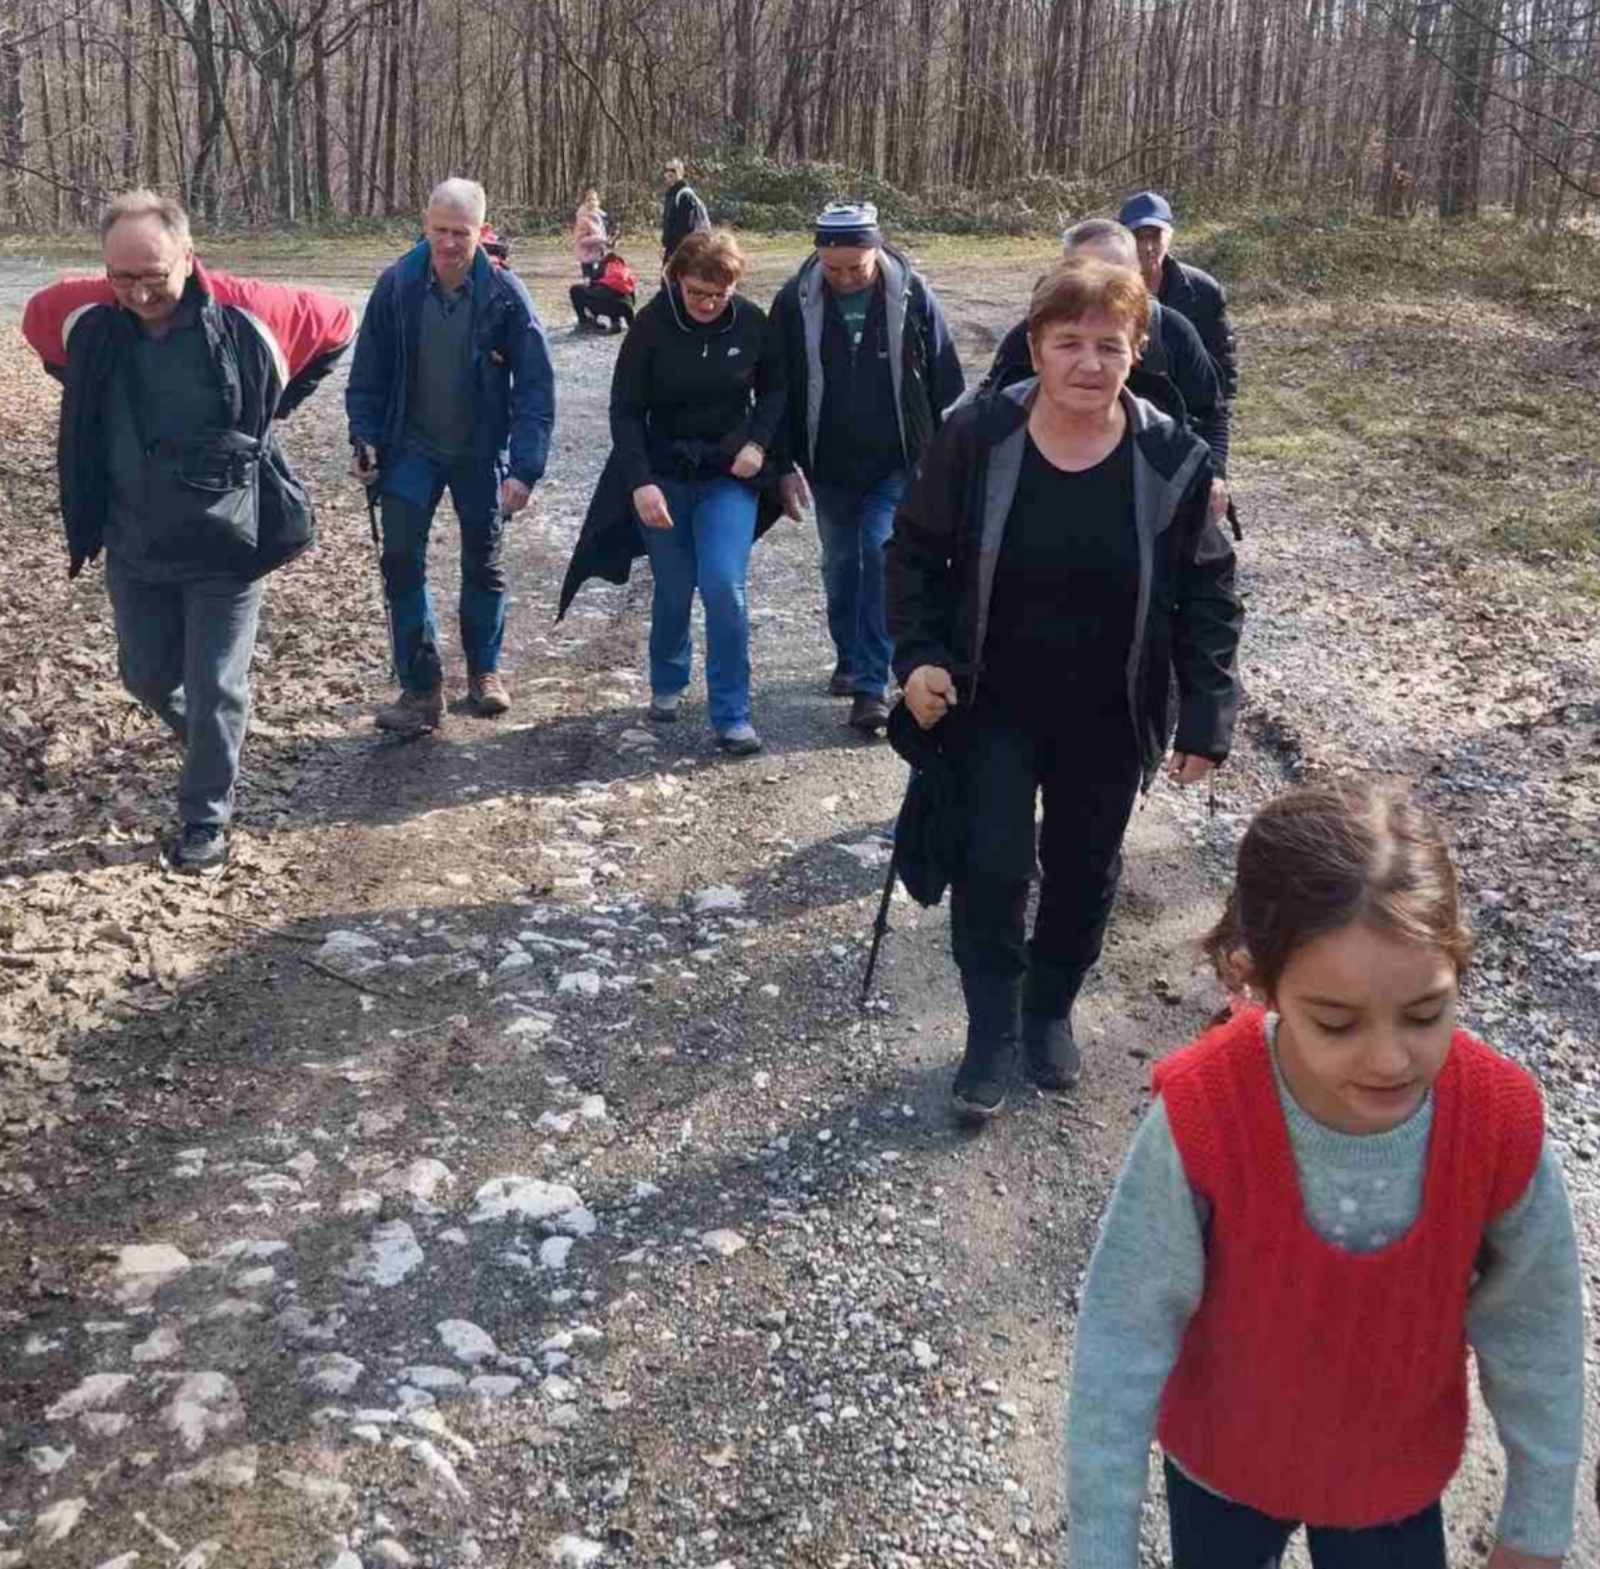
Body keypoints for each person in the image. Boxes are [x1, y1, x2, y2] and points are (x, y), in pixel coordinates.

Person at [1065, 780, 1585, 1569]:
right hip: (1223, 1472)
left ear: (1457, 967)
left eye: (1425, 1013)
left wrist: (1537, 1522)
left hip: (1392, 1483)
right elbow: (1122, 1333)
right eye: (1336, 1023)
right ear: (1259, 981)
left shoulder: (1495, 1122)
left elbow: (1537, 1327)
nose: (1389, 1058)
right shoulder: (1204, 1117)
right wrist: (1101, 1548)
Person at [885, 258, 1242, 1119]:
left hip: (1110, 712)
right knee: (991, 862)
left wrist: (1207, 714)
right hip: (990, 702)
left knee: (1085, 867)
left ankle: (1048, 1008)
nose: (1089, 362)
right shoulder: (977, 438)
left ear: (1136, 351)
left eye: (1109, 345)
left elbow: (1211, 593)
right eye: (1069, 342)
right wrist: (918, 656)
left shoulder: (1173, 458)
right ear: (1037, 345)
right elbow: (913, 552)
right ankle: (989, 1029)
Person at [20, 188, 353, 876]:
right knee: (144, 675)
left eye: (154, 275)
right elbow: (39, 325)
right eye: (122, 277)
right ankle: (209, 738)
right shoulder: (88, 313)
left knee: (215, 685)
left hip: (225, 537)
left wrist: (274, 403)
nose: (139, 293)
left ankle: (206, 818)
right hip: (133, 536)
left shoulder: (244, 308)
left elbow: (337, 322)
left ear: (189, 256)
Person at [558, 228, 785, 756]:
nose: (706, 304)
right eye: (696, 292)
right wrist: (639, 483)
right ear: (676, 279)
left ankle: (732, 713)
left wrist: (758, 444)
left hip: (728, 475)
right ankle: (667, 679)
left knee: (724, 586)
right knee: (675, 585)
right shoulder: (651, 326)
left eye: (718, 295)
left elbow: (776, 391)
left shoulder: (752, 323)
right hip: (663, 474)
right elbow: (625, 411)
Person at [346, 177, 555, 733]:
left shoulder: (506, 294)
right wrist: (363, 438)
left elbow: (536, 387)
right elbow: (367, 375)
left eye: (460, 233)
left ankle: (484, 671)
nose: (448, 243)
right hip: (408, 448)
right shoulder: (396, 285)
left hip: (479, 451)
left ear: (481, 231)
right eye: (439, 230)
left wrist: (525, 470)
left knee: (483, 564)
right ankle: (421, 687)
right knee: (400, 562)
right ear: (425, 224)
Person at [768, 201, 965, 736]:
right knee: (840, 565)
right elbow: (776, 388)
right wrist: (782, 464)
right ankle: (850, 656)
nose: (845, 278)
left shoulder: (913, 294)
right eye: (833, 267)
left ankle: (871, 685)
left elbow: (947, 379)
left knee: (880, 555)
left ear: (877, 251)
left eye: (856, 267)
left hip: (896, 462)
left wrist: (939, 454)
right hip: (828, 463)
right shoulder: (794, 301)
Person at [977, 219, 1229, 526]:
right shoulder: (1031, 336)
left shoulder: (1173, 332)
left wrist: (1214, 474)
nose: (1099, 288)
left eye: (1116, 276)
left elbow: (1210, 412)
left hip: (1153, 508)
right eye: (1086, 273)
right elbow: (993, 422)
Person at [1117, 190, 1238, 404]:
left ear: (1169, 236)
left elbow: (1222, 365)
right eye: (1138, 237)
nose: (1148, 247)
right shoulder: (1106, 290)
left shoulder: (1203, 290)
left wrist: (1218, 415)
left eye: (1155, 236)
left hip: (1187, 409)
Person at [570, 249, 638, 334]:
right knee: (610, 291)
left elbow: (593, 287)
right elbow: (632, 296)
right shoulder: (624, 269)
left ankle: (584, 322)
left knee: (576, 290)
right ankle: (615, 323)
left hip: (609, 304)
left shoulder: (603, 265)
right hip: (627, 308)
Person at [660, 158, 710, 264]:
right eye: (666, 170)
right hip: (674, 250)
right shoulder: (672, 194)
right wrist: (665, 246)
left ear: (681, 172)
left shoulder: (685, 196)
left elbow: (685, 228)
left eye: (673, 170)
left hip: (685, 252)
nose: (669, 173)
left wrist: (675, 253)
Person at [572, 187, 609, 282]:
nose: (592, 202)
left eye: (594, 199)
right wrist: (600, 239)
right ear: (584, 203)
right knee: (589, 283)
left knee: (600, 281)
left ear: (598, 202)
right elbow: (581, 240)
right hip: (587, 257)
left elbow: (602, 236)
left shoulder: (600, 217)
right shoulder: (583, 219)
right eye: (588, 200)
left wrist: (609, 242)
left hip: (599, 256)